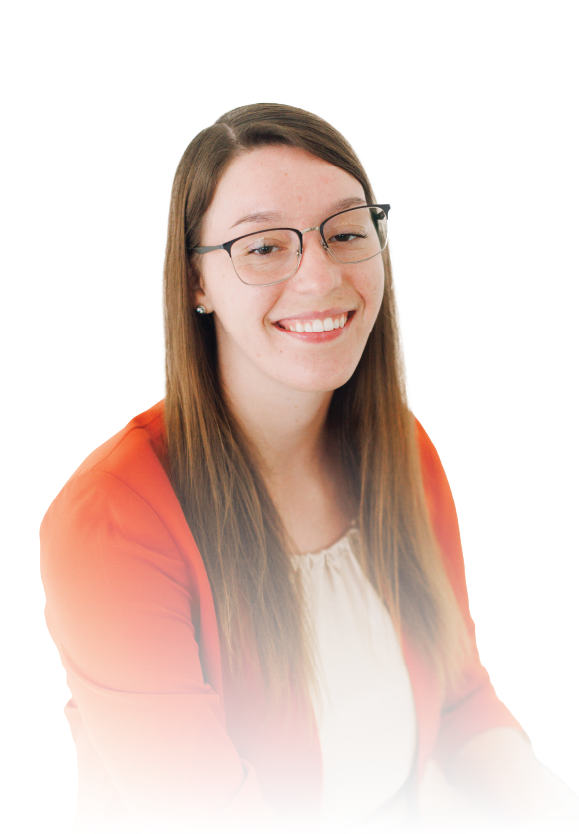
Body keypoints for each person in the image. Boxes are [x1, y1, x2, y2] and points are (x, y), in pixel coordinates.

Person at [40, 103, 578, 834]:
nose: (321, 278)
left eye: (346, 233)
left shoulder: (403, 454)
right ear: (196, 282)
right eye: (264, 247)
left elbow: (459, 702)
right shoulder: (111, 521)